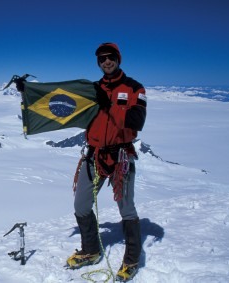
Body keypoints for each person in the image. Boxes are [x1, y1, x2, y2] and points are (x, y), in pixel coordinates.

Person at [66, 43, 147, 282]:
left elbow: (137, 120)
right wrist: (28, 93)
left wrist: (108, 104)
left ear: (118, 59)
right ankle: (91, 250)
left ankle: (131, 259)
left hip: (121, 156)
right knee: (81, 205)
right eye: (102, 59)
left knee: (126, 208)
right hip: (95, 155)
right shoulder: (92, 89)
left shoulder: (134, 88)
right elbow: (64, 104)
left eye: (110, 57)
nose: (106, 62)